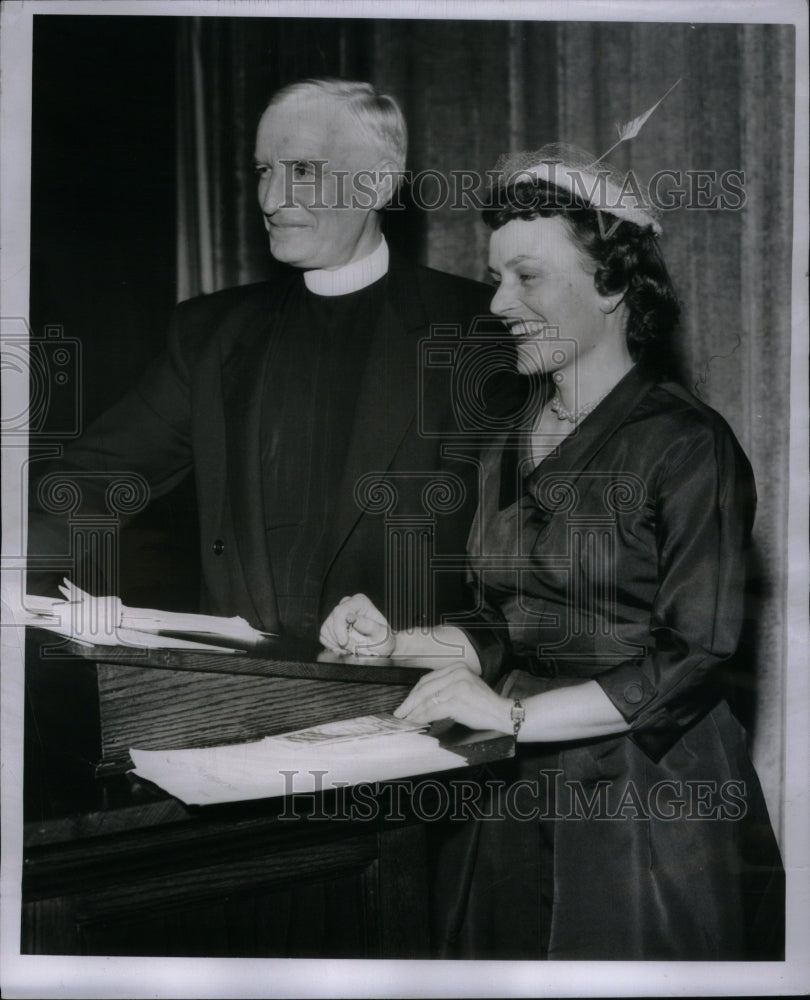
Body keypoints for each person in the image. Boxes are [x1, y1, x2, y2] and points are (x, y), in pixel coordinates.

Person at [319, 144, 785, 960]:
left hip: (644, 798)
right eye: (497, 278)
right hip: (505, 786)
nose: (498, 304)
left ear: (612, 285)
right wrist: (398, 642)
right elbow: (506, 622)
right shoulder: (510, 437)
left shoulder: (686, 445)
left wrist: (513, 714)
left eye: (525, 277)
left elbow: (695, 650)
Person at [27, 78, 493, 639]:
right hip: (242, 695)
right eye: (263, 171)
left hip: (410, 692)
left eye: (301, 170)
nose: (271, 201)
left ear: (377, 184)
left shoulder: (479, 330)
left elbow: (529, 556)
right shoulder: (210, 334)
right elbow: (92, 482)